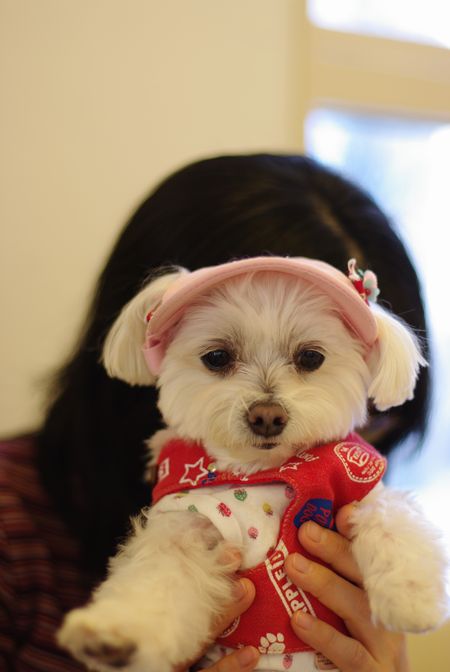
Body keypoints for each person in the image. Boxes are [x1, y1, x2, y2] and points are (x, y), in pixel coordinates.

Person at [0, 154, 428, 671]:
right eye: (220, 359)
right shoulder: (14, 523)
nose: (267, 409)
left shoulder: (344, 476)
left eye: (309, 360)